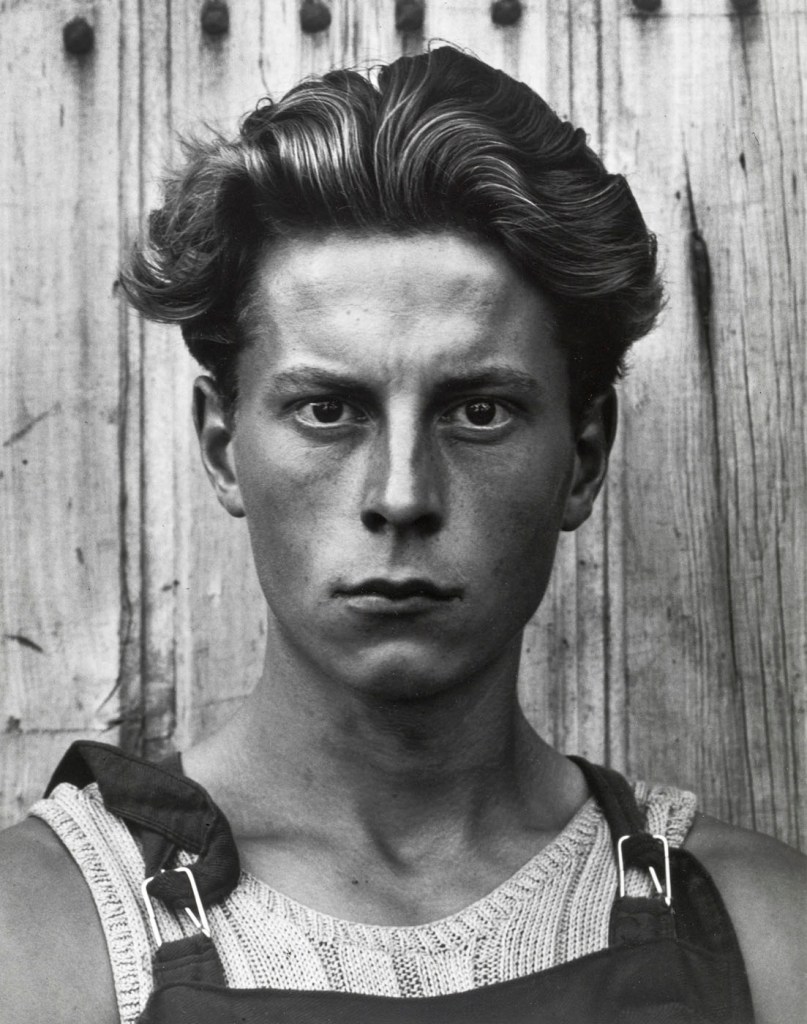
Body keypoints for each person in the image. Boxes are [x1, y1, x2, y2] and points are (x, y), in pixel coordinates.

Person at [0, 45, 804, 1024]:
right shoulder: (36, 934)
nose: (401, 493)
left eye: (478, 412)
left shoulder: (768, 934)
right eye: (329, 410)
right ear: (221, 446)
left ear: (584, 454)